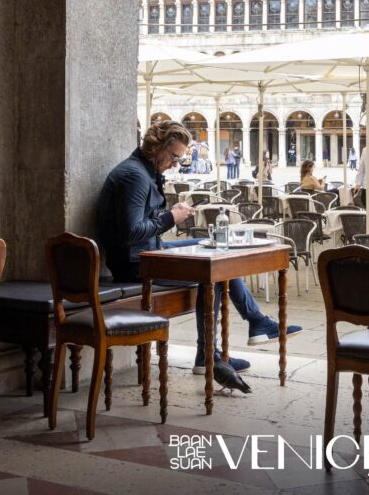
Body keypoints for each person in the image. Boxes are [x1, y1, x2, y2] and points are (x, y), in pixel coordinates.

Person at [97, 119, 301, 379]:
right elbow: (131, 232)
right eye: (173, 157)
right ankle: (212, 353)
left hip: (147, 254)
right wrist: (172, 217)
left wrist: (170, 216)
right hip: (136, 264)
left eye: (179, 159)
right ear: (156, 146)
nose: (175, 164)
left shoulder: (141, 171)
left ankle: (249, 326)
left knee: (216, 249)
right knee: (212, 267)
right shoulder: (134, 176)